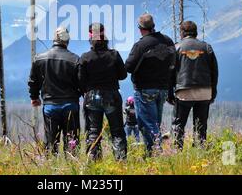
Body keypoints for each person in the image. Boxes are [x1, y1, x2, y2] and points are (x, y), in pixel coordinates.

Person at [125, 13, 176, 156]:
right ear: (153, 26)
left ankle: (154, 154)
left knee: (146, 124)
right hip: (164, 89)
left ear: (140, 28)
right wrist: (170, 91)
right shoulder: (168, 41)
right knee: (155, 123)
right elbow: (173, 65)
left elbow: (128, 67)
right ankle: (154, 152)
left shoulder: (141, 45)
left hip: (145, 89)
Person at [28, 27, 81, 155]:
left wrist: (34, 97)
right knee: (72, 142)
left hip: (50, 106)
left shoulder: (39, 58)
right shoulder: (75, 59)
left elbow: (33, 81)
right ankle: (72, 168)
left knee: (50, 143)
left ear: (54, 40)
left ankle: (50, 168)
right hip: (70, 105)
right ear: (67, 41)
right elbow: (81, 83)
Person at [79, 23, 127, 161]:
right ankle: (120, 162)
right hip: (111, 95)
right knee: (117, 131)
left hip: (92, 96)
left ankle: (94, 162)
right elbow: (123, 75)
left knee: (93, 131)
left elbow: (80, 81)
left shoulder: (85, 57)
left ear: (90, 39)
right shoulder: (114, 54)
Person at [169, 21, 218, 150]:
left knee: (178, 124)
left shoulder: (176, 48)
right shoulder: (207, 48)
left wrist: (169, 92)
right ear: (195, 32)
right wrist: (213, 91)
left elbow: (171, 72)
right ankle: (200, 150)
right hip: (204, 91)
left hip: (184, 91)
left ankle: (177, 151)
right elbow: (214, 71)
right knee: (201, 125)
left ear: (182, 33)